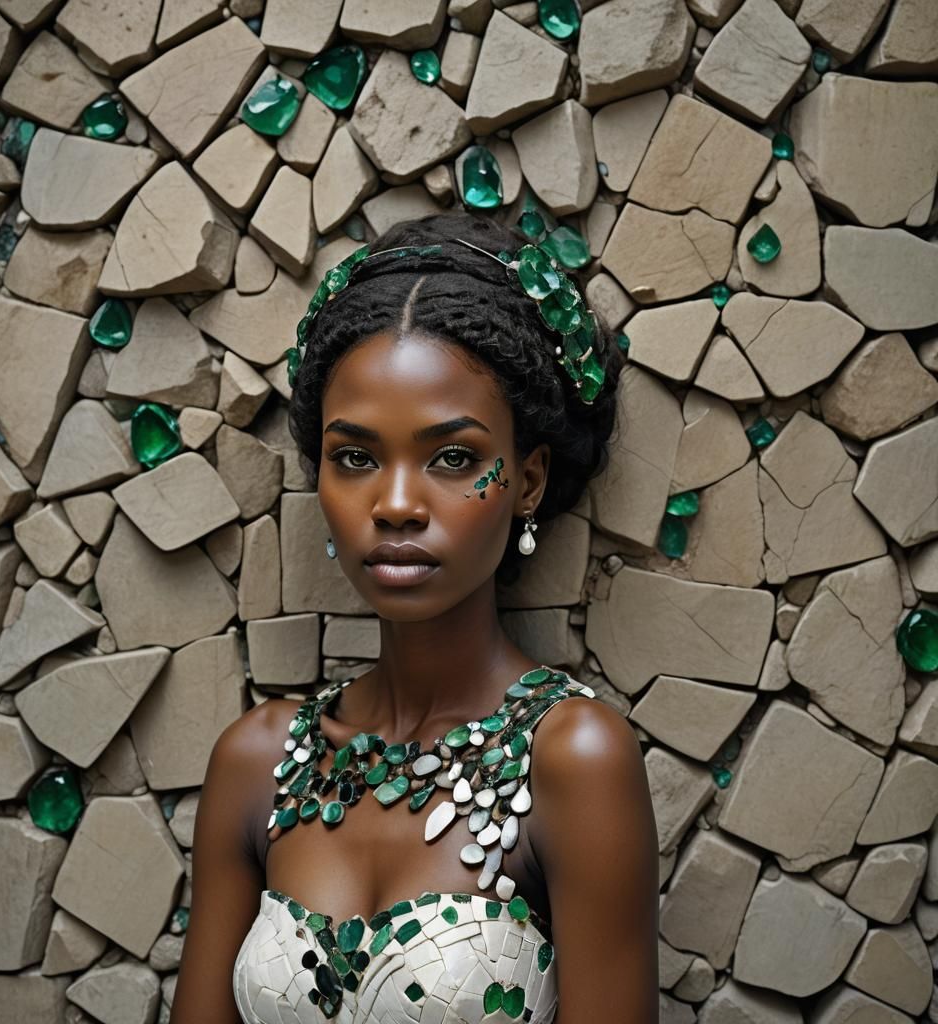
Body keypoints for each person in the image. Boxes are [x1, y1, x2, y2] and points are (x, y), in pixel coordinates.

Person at [170, 210, 660, 1024]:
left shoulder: (574, 760)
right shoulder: (258, 762)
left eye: (453, 457)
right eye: (355, 457)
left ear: (528, 480)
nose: (396, 503)